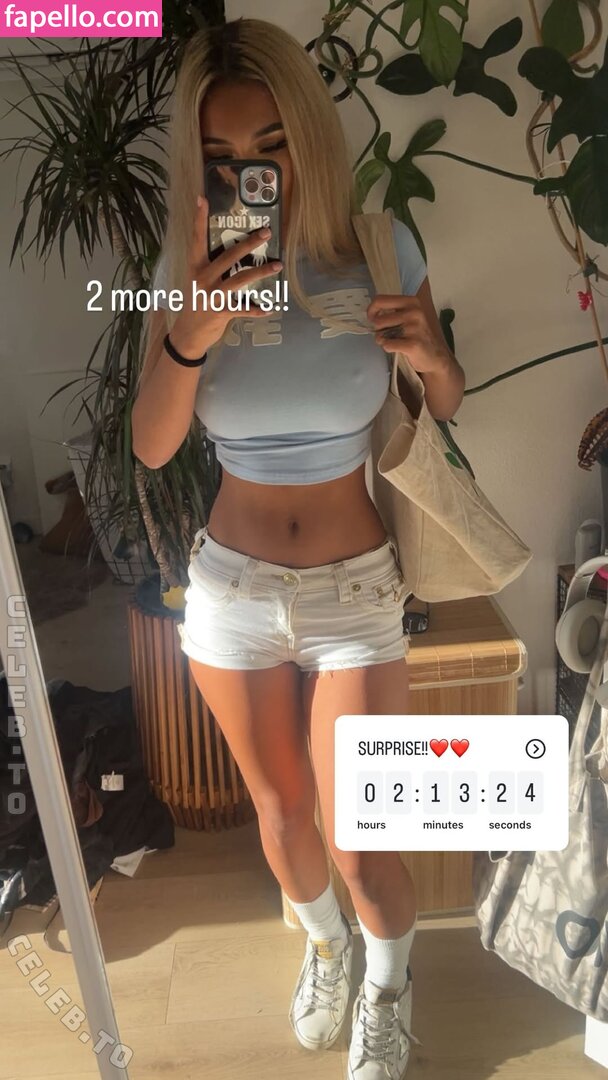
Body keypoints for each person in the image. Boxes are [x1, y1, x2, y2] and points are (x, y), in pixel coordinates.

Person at [132, 17, 465, 1080]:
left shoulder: (381, 246)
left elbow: (443, 402)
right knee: (279, 815)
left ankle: (387, 987)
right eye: (223, 155)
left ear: (308, 137)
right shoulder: (181, 267)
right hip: (230, 590)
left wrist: (432, 356)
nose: (250, 171)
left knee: (364, 839)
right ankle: (325, 950)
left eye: (270, 144)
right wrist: (191, 327)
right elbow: (151, 444)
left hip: (355, 592)